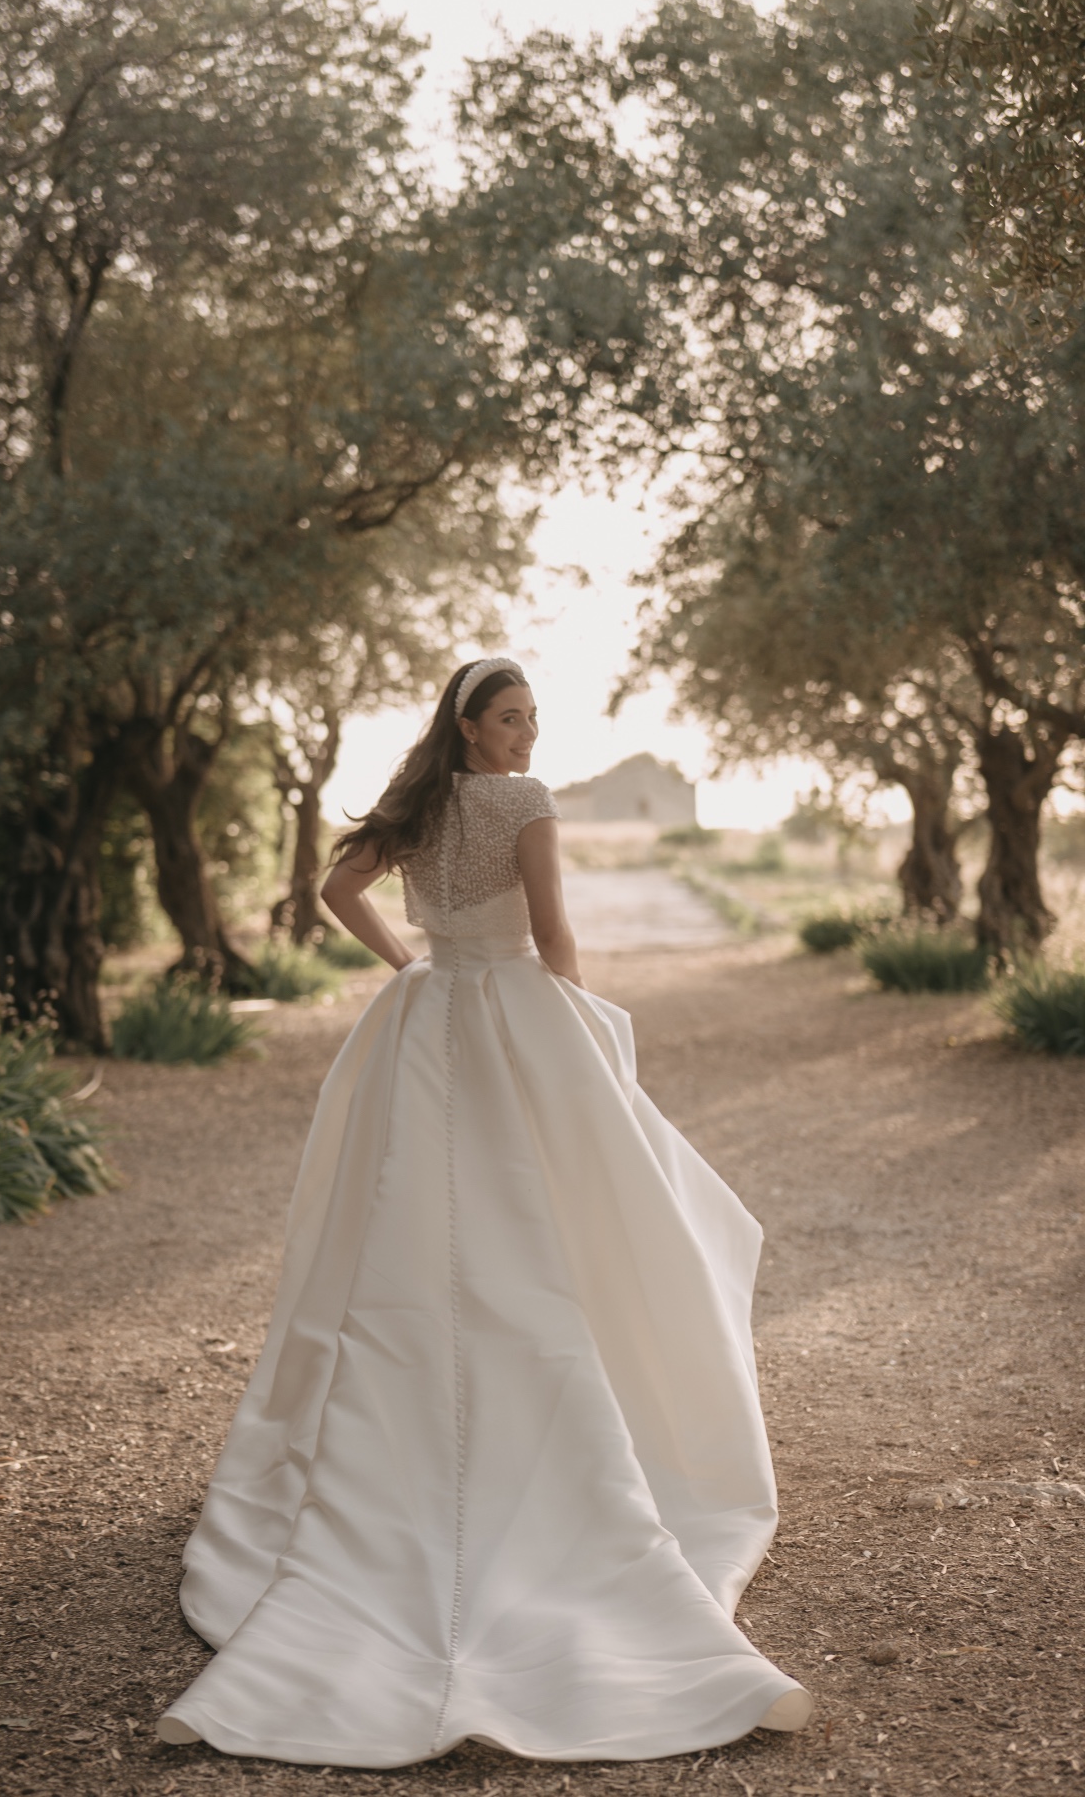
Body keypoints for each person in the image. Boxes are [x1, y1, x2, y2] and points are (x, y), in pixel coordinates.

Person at [156, 656, 813, 1765]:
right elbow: (554, 936)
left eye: (533, 720)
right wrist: (585, 1025)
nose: (528, 737)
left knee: (412, 1224)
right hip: (513, 1008)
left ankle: (395, 1439)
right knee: (551, 1212)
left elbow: (335, 890)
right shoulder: (522, 805)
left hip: (428, 1020)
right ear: (470, 722)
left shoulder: (416, 804)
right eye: (511, 718)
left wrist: (409, 961)